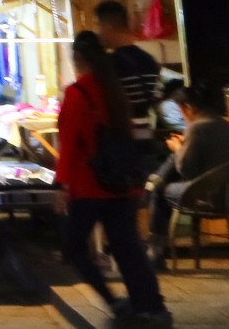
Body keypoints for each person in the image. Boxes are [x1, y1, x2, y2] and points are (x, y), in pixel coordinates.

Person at [56, 31, 169, 327]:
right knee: (128, 248)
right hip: (122, 183)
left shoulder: (78, 93)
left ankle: (114, 301)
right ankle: (152, 307)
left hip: (89, 185)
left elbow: (69, 143)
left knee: (74, 246)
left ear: (77, 59)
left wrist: (62, 185)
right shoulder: (115, 89)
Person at [146, 82, 229, 263]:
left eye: (181, 110)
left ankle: (155, 252)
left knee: (160, 191)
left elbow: (187, 169)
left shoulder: (197, 128)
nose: (182, 115)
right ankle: (154, 183)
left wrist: (178, 147)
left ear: (188, 107)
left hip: (212, 198)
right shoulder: (227, 126)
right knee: (170, 167)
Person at [95, 0, 163, 180]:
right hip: (146, 138)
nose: (98, 33)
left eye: (99, 26)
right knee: (143, 191)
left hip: (121, 141)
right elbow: (157, 99)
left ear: (108, 26)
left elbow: (104, 105)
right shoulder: (149, 60)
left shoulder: (110, 65)